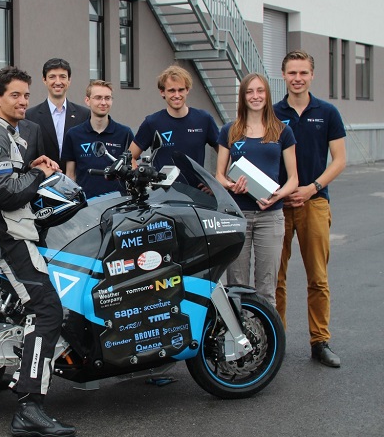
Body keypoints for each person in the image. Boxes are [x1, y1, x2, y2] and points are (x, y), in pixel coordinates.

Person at [0, 66, 74, 437]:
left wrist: (30, 166)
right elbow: (5, 193)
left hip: (0, 225)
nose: (23, 101)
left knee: (36, 305)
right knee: (47, 309)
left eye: (26, 95)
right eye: (15, 95)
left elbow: (5, 177)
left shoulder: (3, 132)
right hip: (0, 229)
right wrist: (39, 174)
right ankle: (29, 407)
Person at [273, 50, 347, 368]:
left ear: (312, 75)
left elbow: (340, 160)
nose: (298, 78)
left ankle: (320, 342)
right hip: (277, 206)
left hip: (314, 203)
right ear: (284, 75)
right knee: (275, 278)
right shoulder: (272, 113)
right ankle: (275, 342)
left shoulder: (327, 112)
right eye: (292, 73)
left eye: (303, 72)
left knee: (317, 277)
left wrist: (312, 188)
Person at [215, 73, 298, 306]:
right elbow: (219, 175)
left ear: (267, 95)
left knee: (267, 289)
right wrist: (232, 185)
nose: (255, 96)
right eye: (250, 91)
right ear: (243, 96)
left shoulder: (282, 131)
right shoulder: (230, 130)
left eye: (260, 91)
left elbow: (293, 179)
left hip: (270, 216)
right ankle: (242, 330)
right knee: (237, 287)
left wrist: (277, 195)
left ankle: (265, 330)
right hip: (237, 215)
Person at [129, 65, 219, 179]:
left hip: (196, 190)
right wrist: (139, 178)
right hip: (163, 189)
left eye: (181, 90)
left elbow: (225, 153)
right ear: (162, 92)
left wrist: (215, 180)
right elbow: (130, 157)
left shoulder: (204, 119)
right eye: (171, 91)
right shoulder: (152, 122)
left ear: (187, 90)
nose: (177, 95)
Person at [61, 80, 134, 198]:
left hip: (118, 203)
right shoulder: (73, 135)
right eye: (98, 98)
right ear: (87, 101)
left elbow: (132, 170)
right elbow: (70, 176)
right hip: (87, 204)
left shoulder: (125, 133)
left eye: (107, 98)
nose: (103, 102)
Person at [26, 58, 89, 165]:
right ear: (44, 80)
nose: (58, 82)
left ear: (69, 80)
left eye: (63, 77)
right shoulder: (30, 116)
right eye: (52, 77)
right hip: (44, 174)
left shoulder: (84, 115)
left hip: (74, 175)